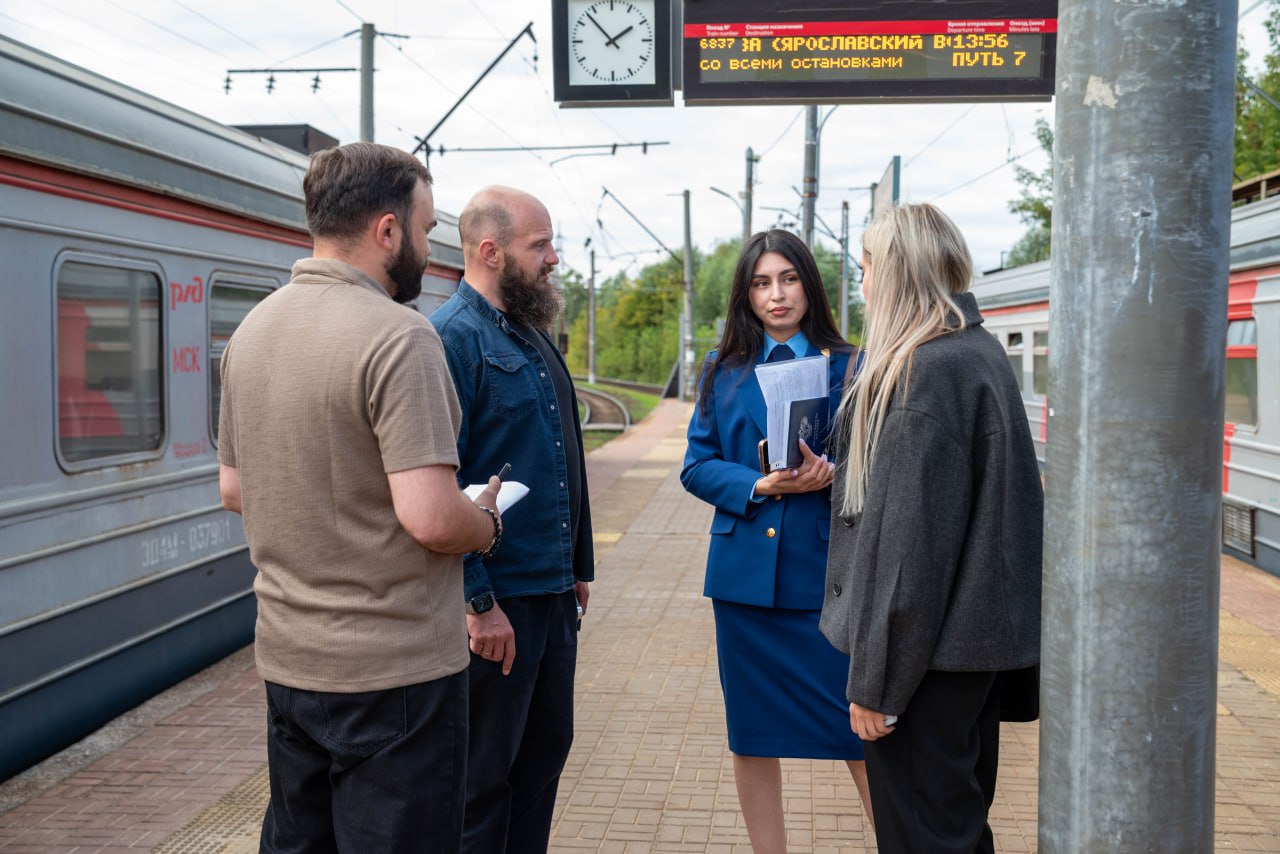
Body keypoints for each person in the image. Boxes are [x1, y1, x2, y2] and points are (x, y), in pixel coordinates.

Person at [217, 142, 503, 853]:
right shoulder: (400, 337)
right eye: (425, 230)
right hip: (395, 675)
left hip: (289, 664)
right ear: (387, 230)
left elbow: (234, 489)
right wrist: (485, 521)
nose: (428, 249)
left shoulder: (252, 331)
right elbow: (431, 517)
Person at [820, 203, 1043, 853]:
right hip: (971, 655)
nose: (862, 283)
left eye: (866, 267)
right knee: (958, 827)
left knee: (926, 837)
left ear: (894, 273)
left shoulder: (921, 374)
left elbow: (907, 551)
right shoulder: (978, 352)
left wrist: (878, 685)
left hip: (925, 663)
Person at [681, 229, 874, 853]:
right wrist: (757, 484)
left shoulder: (854, 366)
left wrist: (835, 475)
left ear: (808, 285)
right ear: (747, 294)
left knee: (860, 734)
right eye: (762, 283)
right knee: (752, 737)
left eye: (788, 279)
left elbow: (882, 463)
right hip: (744, 587)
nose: (776, 294)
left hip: (827, 583)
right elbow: (696, 466)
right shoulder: (721, 370)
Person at [429, 185, 594, 854]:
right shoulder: (450, 339)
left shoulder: (531, 335)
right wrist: (477, 602)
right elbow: (439, 484)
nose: (553, 258)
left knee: (543, 756)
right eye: (540, 245)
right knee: (483, 781)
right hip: (498, 604)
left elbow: (564, 454)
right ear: (491, 251)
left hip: (550, 595)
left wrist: (578, 566)